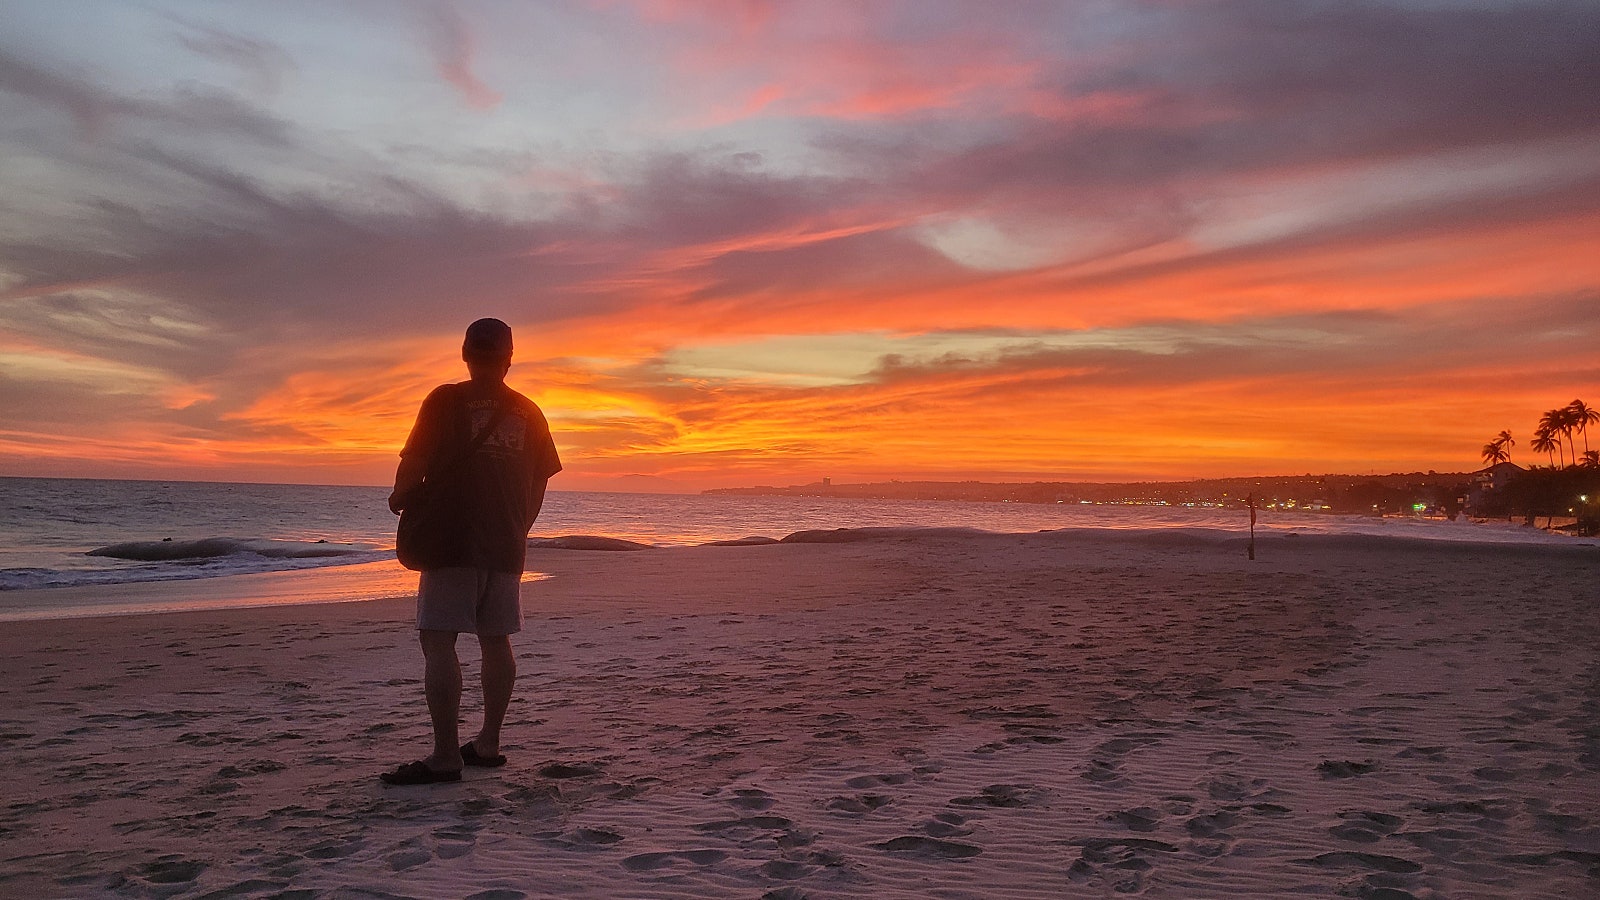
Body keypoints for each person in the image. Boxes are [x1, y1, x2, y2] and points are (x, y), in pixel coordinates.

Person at [381, 318, 562, 785]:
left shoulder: (445, 400)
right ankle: (488, 744)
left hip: (451, 539)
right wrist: (517, 528)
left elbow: (414, 461)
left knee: (439, 640)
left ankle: (446, 755)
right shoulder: (531, 411)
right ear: (509, 358)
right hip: (506, 543)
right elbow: (539, 482)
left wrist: (400, 497)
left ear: (465, 353)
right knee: (495, 640)